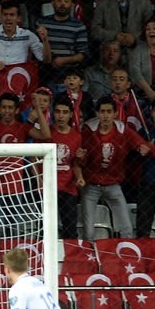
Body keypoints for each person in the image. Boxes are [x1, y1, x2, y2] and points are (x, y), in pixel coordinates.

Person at [79, 96, 155, 239]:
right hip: (91, 185)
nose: (105, 115)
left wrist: (146, 148)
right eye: (102, 111)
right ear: (97, 113)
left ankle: (124, 256)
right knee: (88, 230)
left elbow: (143, 146)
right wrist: (80, 156)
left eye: (109, 111)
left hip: (113, 185)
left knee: (126, 228)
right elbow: (79, 158)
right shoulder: (88, 131)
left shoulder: (123, 131)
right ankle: (88, 259)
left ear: (115, 114)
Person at [50, 97, 86, 239]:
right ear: (53, 113)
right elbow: (35, 159)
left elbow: (75, 164)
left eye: (65, 112)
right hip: (48, 187)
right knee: (46, 228)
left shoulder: (76, 136)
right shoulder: (46, 133)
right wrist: (39, 179)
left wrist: (80, 177)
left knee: (70, 229)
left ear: (71, 115)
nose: (61, 115)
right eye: (58, 112)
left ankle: (71, 259)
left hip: (69, 188)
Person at [139, 99, 155, 237]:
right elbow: (132, 155)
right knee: (142, 232)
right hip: (146, 189)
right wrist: (141, 150)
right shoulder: (144, 132)